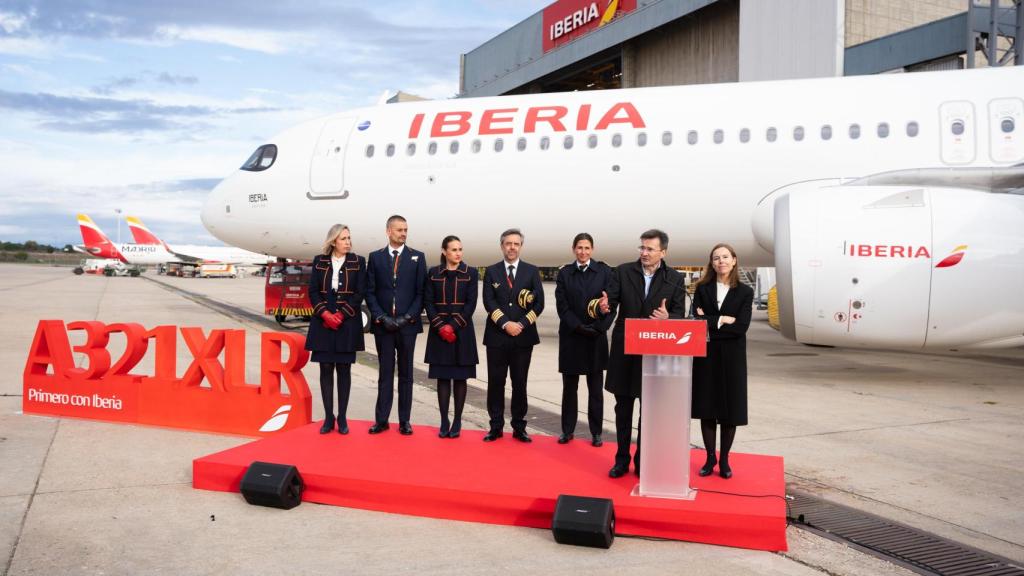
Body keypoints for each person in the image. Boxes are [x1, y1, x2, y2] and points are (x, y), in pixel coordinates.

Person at [598, 229, 687, 478]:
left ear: (663, 252)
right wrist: (604, 307)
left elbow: (681, 314)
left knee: (648, 413)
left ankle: (643, 460)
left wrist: (669, 318)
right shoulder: (623, 271)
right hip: (625, 350)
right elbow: (611, 303)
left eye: (650, 249)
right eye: (642, 248)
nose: (644, 253)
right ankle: (621, 459)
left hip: (655, 353)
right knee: (623, 409)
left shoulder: (674, 279)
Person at [691, 243, 753, 479]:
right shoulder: (702, 288)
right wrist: (721, 320)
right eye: (716, 258)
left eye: (725, 257)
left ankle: (725, 460)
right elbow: (695, 322)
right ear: (711, 262)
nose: (721, 261)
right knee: (707, 409)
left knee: (730, 411)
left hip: (732, 359)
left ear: (734, 260)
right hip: (706, 357)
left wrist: (709, 321)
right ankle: (709, 458)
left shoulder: (745, 292)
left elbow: (741, 327)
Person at [365, 215, 427, 435]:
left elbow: (421, 293)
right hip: (383, 327)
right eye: (399, 229)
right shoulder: (375, 258)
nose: (403, 233)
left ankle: (404, 421)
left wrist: (406, 318)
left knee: (406, 375)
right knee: (385, 373)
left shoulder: (417, 257)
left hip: (407, 327)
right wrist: (382, 318)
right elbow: (369, 292)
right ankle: (381, 420)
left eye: (406, 229)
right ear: (388, 231)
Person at [481, 228, 544, 443]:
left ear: (521, 246)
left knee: (520, 383)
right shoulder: (491, 271)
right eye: (508, 243)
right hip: (497, 337)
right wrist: (505, 323)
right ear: (502, 246)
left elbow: (539, 303)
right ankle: (495, 426)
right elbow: (489, 302)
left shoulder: (532, 271)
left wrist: (521, 324)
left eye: (516, 244)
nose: (512, 247)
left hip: (523, 338)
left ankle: (519, 426)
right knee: (495, 383)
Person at [305, 224, 366, 435]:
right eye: (343, 239)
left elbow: (360, 293)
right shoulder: (319, 261)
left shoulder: (358, 261)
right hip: (323, 321)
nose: (348, 242)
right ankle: (328, 417)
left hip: (347, 320)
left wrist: (341, 314)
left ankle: (342, 417)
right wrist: (324, 313)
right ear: (333, 241)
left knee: (344, 369)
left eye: (349, 238)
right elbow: (313, 291)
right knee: (325, 369)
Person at [554, 233, 612, 447]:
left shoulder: (605, 272)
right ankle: (567, 431)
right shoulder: (565, 273)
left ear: (592, 249)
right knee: (569, 388)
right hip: (572, 337)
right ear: (573, 249)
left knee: (595, 390)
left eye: (587, 248)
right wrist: (578, 326)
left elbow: (611, 305)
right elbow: (562, 306)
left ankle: (596, 432)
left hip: (595, 338)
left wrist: (598, 328)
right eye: (579, 247)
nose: (583, 252)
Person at [423, 235, 479, 439]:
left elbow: (471, 305)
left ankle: (457, 420)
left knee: (460, 378)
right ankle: (444, 420)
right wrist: (440, 326)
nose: (458, 253)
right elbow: (428, 302)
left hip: (462, 333)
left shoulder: (471, 273)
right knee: (443, 379)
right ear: (444, 251)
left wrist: (453, 326)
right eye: (454, 250)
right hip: (439, 333)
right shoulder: (433, 273)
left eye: (460, 249)